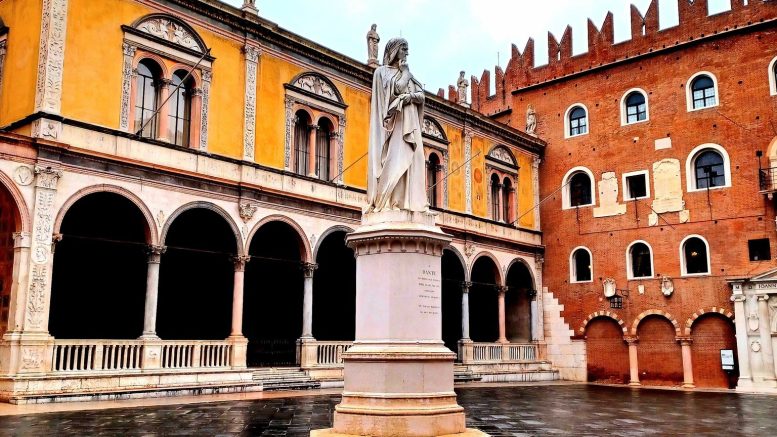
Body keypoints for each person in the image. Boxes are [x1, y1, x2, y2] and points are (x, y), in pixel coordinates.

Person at [366, 38, 427, 213]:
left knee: (414, 159)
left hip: (410, 123)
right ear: (394, 51)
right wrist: (405, 74)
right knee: (395, 160)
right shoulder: (381, 72)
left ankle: (410, 203)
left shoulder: (408, 74)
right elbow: (396, 90)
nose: (407, 53)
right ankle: (389, 201)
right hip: (394, 125)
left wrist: (409, 97)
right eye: (403, 49)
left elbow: (421, 96)